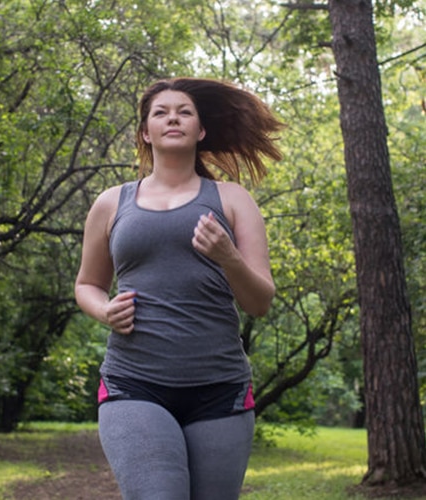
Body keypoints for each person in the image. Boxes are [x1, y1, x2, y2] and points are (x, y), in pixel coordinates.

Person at [75, 77, 283, 500]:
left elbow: (259, 302)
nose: (173, 117)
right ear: (144, 132)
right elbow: (87, 284)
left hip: (219, 388)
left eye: (184, 111)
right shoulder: (112, 203)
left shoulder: (231, 199)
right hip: (134, 383)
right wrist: (104, 310)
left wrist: (228, 257)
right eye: (161, 112)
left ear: (200, 131)